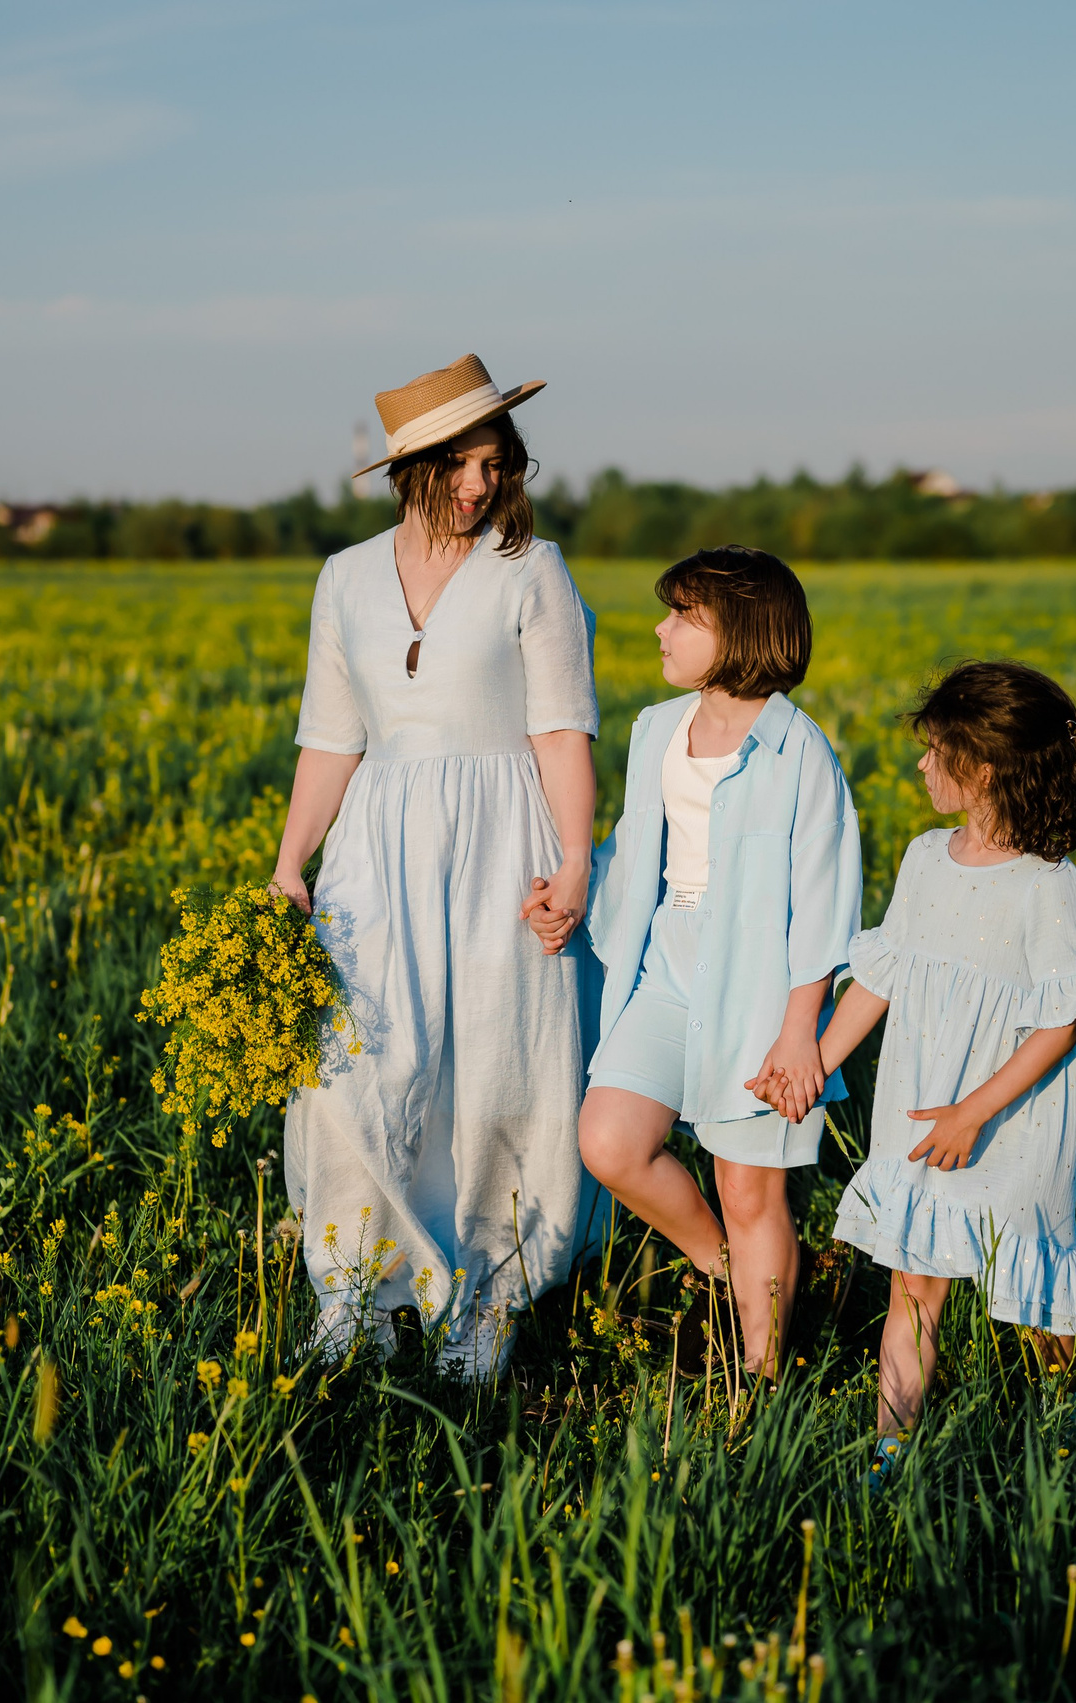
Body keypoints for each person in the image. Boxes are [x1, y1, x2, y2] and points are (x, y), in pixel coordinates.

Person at [273, 354, 600, 1379]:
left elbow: (560, 732)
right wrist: (291, 863)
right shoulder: (346, 576)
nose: (478, 484)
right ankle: (355, 1289)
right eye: (457, 463)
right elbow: (331, 736)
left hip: (509, 835)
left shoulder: (531, 572)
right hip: (377, 839)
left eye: (494, 462)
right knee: (358, 1061)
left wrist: (577, 859)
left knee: (505, 1059)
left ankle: (488, 1297)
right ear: (407, 468)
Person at [775, 660, 1076, 1486]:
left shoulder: (1048, 885)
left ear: (985, 766)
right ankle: (888, 1456)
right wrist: (814, 1061)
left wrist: (974, 1111)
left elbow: (1059, 1021)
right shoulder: (927, 857)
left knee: (1025, 1281)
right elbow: (884, 975)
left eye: (934, 751)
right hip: (923, 1111)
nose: (920, 766)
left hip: (1007, 1117)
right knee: (914, 1286)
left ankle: (1073, 1426)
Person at [564, 546, 861, 1378]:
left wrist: (801, 1030)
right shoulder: (657, 728)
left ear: (739, 633)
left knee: (750, 1191)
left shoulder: (802, 754)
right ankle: (724, 1268)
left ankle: (758, 1377)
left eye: (682, 616)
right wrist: (576, 886)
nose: (660, 628)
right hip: (664, 968)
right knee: (610, 1140)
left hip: (761, 989)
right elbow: (637, 850)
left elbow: (826, 906)